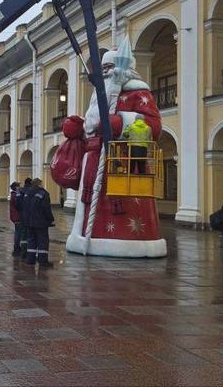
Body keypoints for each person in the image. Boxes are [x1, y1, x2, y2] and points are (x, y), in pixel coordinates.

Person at [66, 38, 167, 258]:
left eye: (110, 68)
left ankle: (126, 242)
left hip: (124, 161)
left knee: (121, 203)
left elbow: (154, 126)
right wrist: (79, 128)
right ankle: (87, 237)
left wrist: (120, 122)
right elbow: (95, 126)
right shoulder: (99, 97)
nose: (106, 72)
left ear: (124, 69)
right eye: (104, 68)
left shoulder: (138, 93)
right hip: (94, 160)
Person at [23, 178, 55, 268]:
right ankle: (43, 261)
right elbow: (46, 209)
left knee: (31, 241)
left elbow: (23, 207)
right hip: (40, 222)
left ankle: (30, 259)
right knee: (42, 241)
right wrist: (51, 219)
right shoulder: (43, 194)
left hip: (28, 222)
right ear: (40, 184)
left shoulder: (27, 193)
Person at [9, 182, 26, 257]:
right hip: (18, 217)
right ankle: (17, 249)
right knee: (18, 233)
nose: (20, 187)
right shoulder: (16, 195)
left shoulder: (13, 194)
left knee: (17, 232)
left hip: (15, 216)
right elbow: (19, 205)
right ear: (16, 187)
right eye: (19, 186)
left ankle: (17, 248)